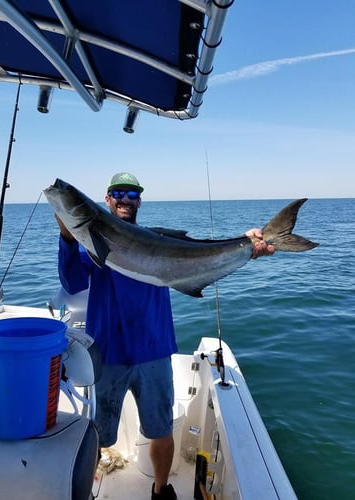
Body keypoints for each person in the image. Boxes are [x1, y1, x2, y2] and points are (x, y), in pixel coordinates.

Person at [55, 172, 274, 500]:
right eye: (118, 193)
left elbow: (200, 251)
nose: (125, 199)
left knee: (161, 431)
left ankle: (161, 489)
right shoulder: (94, 247)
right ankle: (86, 491)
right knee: (97, 437)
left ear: (139, 201)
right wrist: (69, 240)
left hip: (154, 353)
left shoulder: (155, 240)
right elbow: (72, 283)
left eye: (132, 194)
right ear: (107, 200)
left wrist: (244, 245)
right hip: (109, 355)